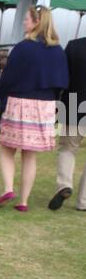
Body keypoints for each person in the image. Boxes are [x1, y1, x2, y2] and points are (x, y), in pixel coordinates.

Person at [0, 5, 68, 211]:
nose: (24, 22)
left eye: (26, 19)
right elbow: (61, 82)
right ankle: (23, 201)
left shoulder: (23, 47)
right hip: (45, 107)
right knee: (29, 154)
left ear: (36, 22)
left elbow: (8, 77)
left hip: (20, 103)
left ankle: (8, 188)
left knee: (7, 148)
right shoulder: (58, 51)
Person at [48, 34, 86, 211]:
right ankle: (84, 201)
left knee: (68, 149)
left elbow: (62, 78)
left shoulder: (74, 46)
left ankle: (64, 184)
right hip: (74, 105)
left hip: (74, 105)